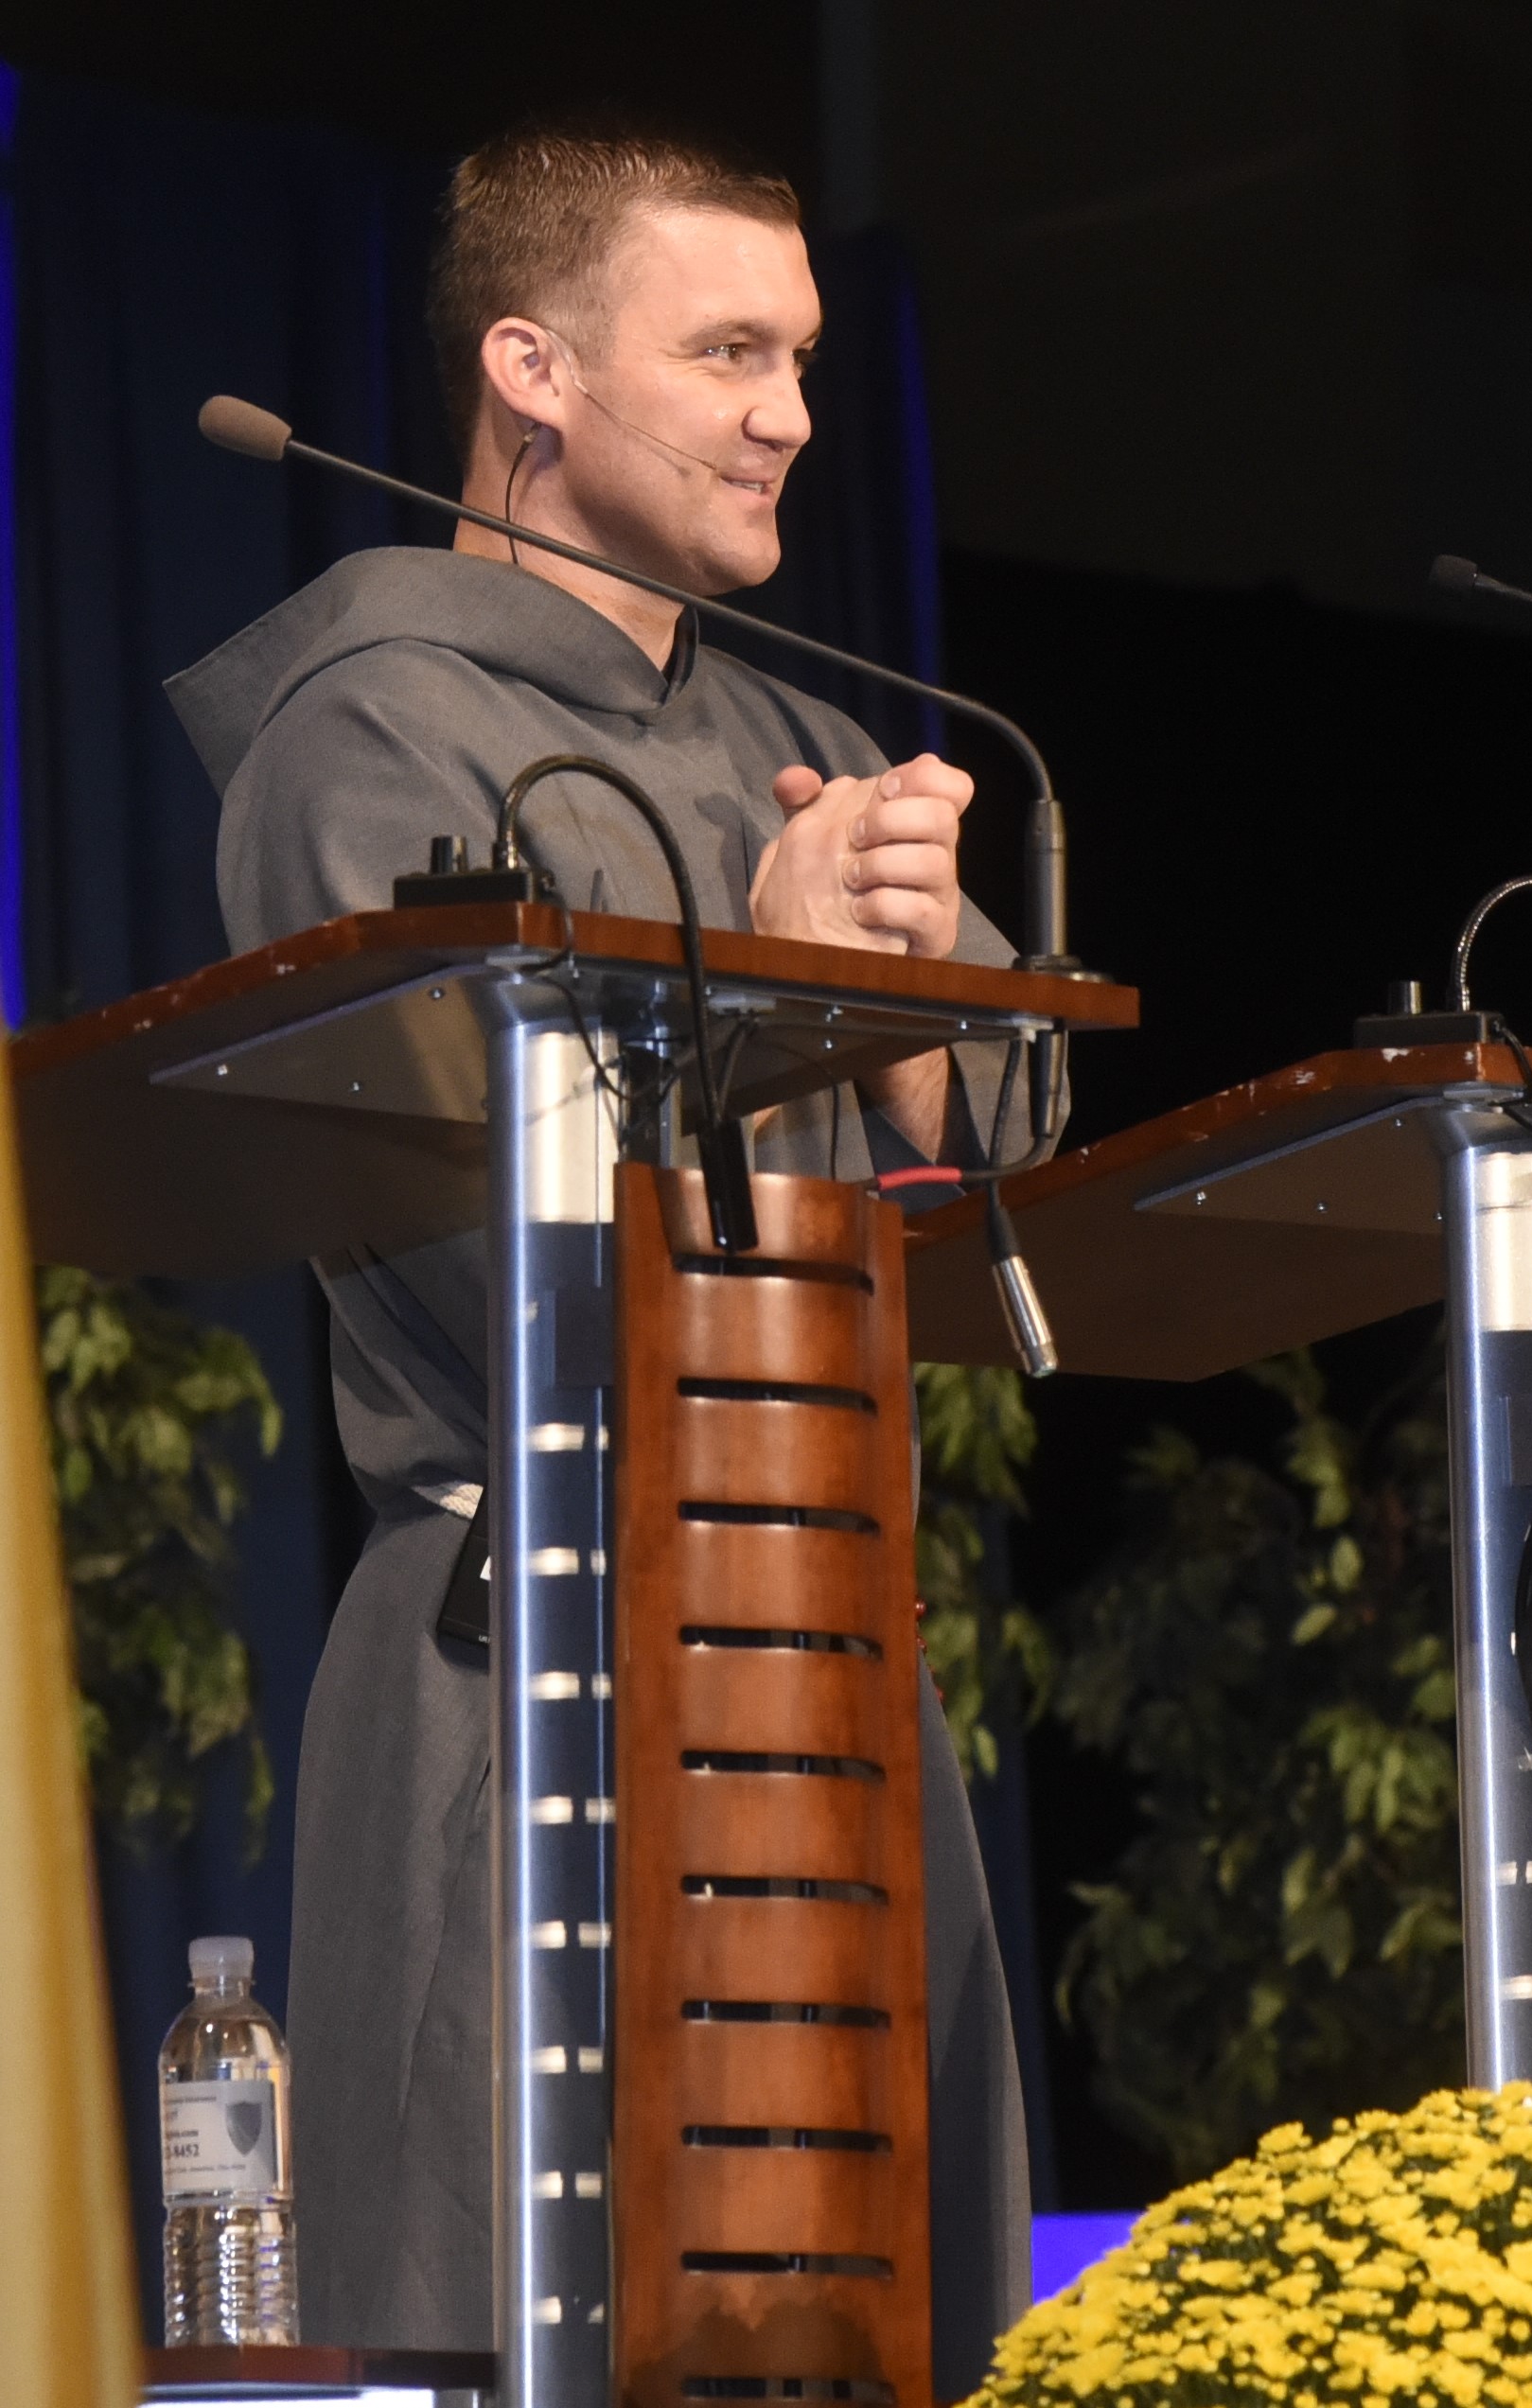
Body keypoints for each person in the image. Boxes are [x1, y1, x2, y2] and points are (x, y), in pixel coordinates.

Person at [163, 125, 1033, 2384]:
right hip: (531, 1645)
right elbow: (469, 1215)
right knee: (545, 2326)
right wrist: (760, 959)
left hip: (830, 1648)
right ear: (530, 371)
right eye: (730, 349)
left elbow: (1019, 1143)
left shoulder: (809, 736)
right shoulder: (366, 725)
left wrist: (928, 1004)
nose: (793, 417)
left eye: (809, 358)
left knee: (860, 2330)